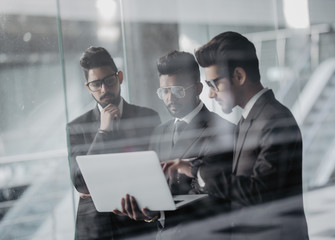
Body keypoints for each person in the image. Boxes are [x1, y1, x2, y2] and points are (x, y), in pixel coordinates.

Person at [163, 32, 309, 239]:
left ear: (239, 76)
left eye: (214, 84)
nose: (211, 94)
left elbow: (261, 193)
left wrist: (199, 173)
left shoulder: (274, 119)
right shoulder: (248, 119)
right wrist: (193, 169)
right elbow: (238, 187)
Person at [114, 50, 235, 239]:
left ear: (197, 88)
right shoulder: (160, 132)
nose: (170, 99)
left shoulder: (223, 131)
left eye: (178, 90)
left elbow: (215, 198)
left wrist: (158, 213)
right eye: (164, 91)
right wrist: (145, 210)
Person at [67, 46, 161, 240]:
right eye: (96, 84)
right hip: (94, 228)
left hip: (138, 225)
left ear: (119, 77)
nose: (104, 89)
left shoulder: (148, 117)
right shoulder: (76, 127)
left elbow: (156, 174)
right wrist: (103, 132)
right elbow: (81, 183)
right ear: (88, 87)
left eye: (109, 81)